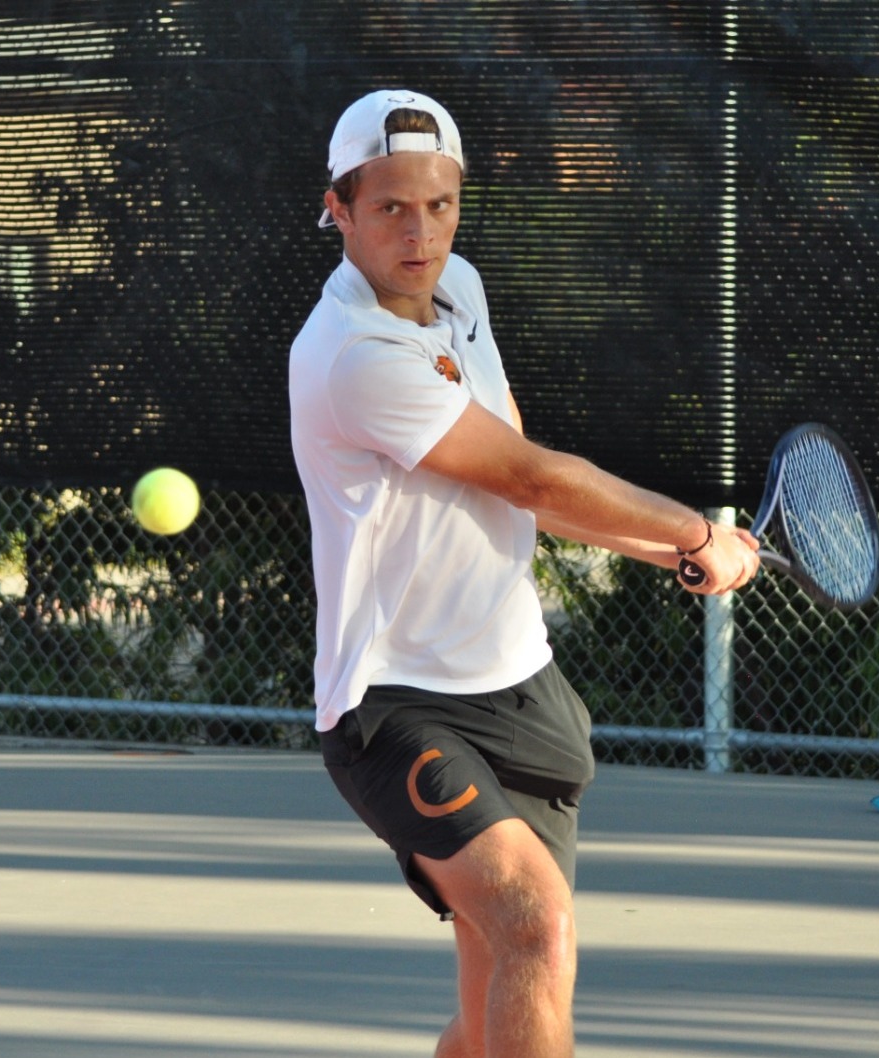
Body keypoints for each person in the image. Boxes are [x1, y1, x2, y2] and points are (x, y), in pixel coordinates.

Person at [288, 89, 761, 1058]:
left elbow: (518, 488)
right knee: (533, 927)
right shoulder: (348, 354)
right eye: (388, 207)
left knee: (494, 1001)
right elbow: (532, 472)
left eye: (439, 203)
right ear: (335, 207)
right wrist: (692, 525)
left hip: (520, 690)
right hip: (394, 705)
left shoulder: (459, 288)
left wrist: (673, 549)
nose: (419, 233)